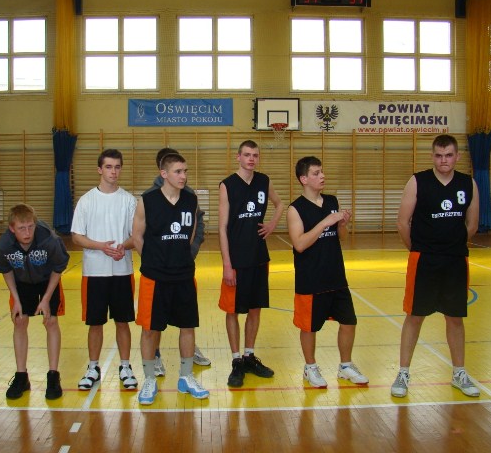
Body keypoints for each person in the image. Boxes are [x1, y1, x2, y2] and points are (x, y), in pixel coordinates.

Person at [392, 134, 480, 398]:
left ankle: (459, 373)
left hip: (455, 260)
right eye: (439, 156)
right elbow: (402, 223)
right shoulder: (417, 181)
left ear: (457, 157)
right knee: (415, 316)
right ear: (432, 156)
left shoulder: (468, 183)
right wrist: (418, 249)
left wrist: (452, 245)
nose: (444, 160)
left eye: (449, 155)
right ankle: (403, 373)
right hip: (424, 259)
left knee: (455, 317)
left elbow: (472, 225)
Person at [133, 152, 209, 405]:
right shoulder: (147, 201)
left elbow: (192, 234)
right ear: (164, 174)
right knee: (149, 329)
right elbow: (137, 236)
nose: (183, 176)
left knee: (187, 326)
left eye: (185, 171)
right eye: (178, 171)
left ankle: (186, 377)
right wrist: (153, 260)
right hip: (154, 277)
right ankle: (149, 379)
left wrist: (180, 257)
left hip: (184, 274)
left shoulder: (191, 199)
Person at [286, 156, 368, 388]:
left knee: (349, 321)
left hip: (336, 276)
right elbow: (299, 244)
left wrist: (341, 225)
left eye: (322, 172)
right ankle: (310, 367)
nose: (322, 176)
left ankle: (345, 366)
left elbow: (342, 237)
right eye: (316, 173)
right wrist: (325, 222)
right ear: (303, 179)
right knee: (309, 327)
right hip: (311, 279)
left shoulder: (331, 200)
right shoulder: (295, 209)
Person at [218, 140, 284, 388]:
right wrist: (227, 264)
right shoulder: (227, 185)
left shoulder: (264, 181)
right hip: (236, 259)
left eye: (255, 155)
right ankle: (236, 360)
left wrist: (272, 224)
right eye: (247, 155)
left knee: (255, 309)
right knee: (232, 311)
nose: (251, 159)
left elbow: (280, 204)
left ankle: (249, 356)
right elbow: (222, 228)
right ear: (238, 157)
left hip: (258, 257)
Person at [71, 149, 138, 391]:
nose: (113, 171)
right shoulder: (87, 201)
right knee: (95, 323)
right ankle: (93, 368)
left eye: (117, 167)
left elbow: (136, 235)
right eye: (109, 167)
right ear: (100, 169)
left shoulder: (129, 200)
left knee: (123, 321)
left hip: (122, 271)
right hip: (94, 273)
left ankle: (125, 367)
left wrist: (123, 247)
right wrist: (101, 246)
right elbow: (76, 236)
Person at [0, 204, 70, 400]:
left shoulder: (49, 240)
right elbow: (6, 272)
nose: (27, 233)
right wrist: (16, 299)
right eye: (21, 228)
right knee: (19, 321)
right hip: (21, 281)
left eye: (30, 227)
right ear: (12, 228)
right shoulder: (3, 247)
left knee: (51, 321)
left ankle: (53, 375)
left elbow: (58, 268)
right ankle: (21, 376)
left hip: (47, 279)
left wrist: (46, 299)